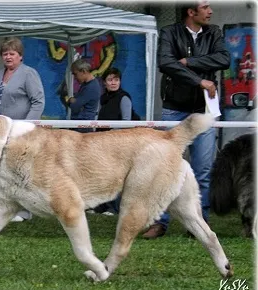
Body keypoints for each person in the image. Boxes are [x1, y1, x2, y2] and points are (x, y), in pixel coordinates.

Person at [142, 1, 230, 239]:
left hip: (204, 110)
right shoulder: (170, 32)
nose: (210, 11)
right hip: (174, 108)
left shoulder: (214, 32)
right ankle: (160, 222)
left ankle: (199, 224)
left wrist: (189, 62)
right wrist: (199, 80)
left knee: (202, 169)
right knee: (164, 168)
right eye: (205, 7)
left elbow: (224, 59)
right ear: (191, 12)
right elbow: (166, 63)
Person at [0, 37, 45, 222]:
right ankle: (0, 209)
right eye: (5, 54)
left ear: (20, 56)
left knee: (21, 172)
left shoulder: (29, 73)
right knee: (2, 172)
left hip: (22, 132)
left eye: (12, 53)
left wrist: (26, 128)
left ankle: (23, 211)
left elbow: (38, 101)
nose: (8, 57)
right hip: (0, 132)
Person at [93, 67, 140, 215]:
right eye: (110, 80)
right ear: (104, 82)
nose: (113, 83)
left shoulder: (124, 97)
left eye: (116, 79)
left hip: (119, 143)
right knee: (103, 174)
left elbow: (126, 122)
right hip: (103, 142)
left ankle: (115, 207)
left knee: (117, 176)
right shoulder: (103, 98)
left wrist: (111, 136)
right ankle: (103, 205)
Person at [65, 59, 101, 133]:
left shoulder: (91, 87)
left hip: (83, 128)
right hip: (80, 125)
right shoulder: (87, 84)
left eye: (75, 74)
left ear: (84, 71)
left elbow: (74, 105)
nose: (75, 77)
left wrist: (71, 100)